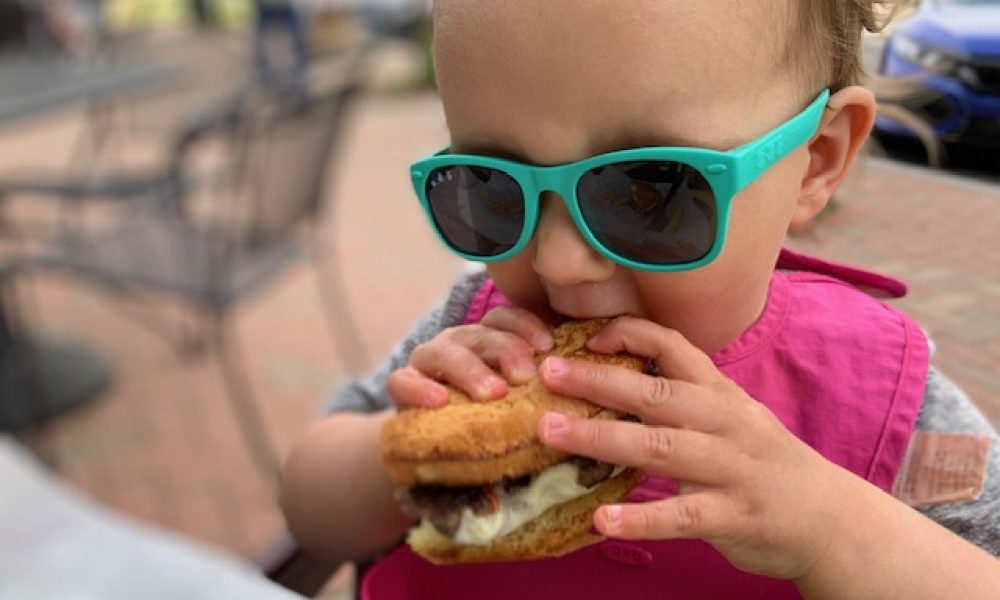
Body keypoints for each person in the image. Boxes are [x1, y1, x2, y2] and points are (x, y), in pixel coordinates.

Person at [280, 0, 1000, 598]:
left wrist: (830, 525)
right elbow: (310, 517)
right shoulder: (474, 338)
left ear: (814, 162)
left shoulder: (884, 401)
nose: (560, 261)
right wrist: (408, 458)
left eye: (650, 191)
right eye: (491, 188)